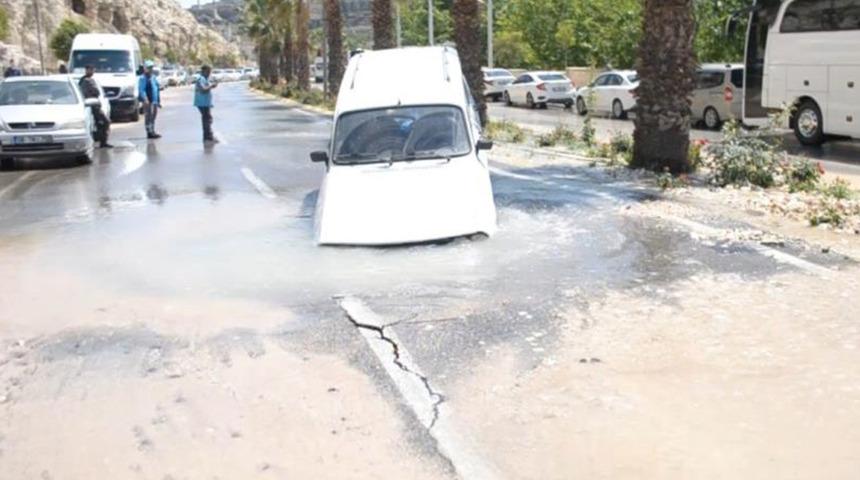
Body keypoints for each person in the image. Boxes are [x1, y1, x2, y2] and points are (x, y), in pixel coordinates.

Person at [79, 64, 113, 148]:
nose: (92, 71)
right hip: (93, 106)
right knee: (105, 122)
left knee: (100, 124)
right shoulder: (87, 81)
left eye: (93, 70)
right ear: (87, 70)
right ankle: (103, 142)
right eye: (91, 70)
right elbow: (95, 92)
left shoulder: (87, 80)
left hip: (94, 104)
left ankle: (102, 141)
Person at [194, 65, 219, 143]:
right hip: (202, 103)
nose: (209, 74)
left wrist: (211, 86)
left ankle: (207, 136)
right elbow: (203, 90)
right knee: (207, 119)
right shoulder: (200, 79)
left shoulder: (204, 79)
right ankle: (208, 137)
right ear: (204, 71)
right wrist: (211, 86)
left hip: (205, 102)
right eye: (208, 72)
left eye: (210, 72)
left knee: (207, 119)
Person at [138, 60, 161, 139]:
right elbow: (141, 90)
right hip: (148, 100)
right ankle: (149, 132)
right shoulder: (143, 78)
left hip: (154, 100)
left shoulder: (153, 77)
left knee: (153, 116)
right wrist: (145, 99)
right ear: (145, 68)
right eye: (149, 67)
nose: (151, 69)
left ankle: (152, 130)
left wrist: (158, 101)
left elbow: (157, 88)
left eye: (151, 67)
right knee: (148, 116)